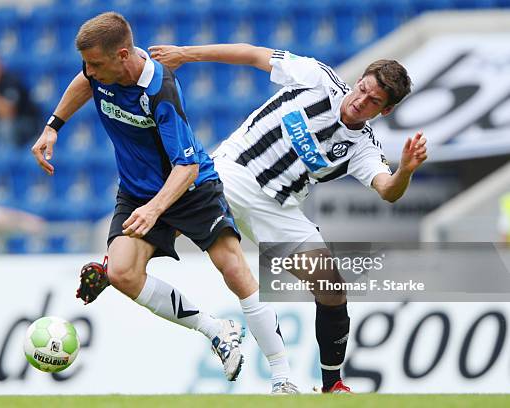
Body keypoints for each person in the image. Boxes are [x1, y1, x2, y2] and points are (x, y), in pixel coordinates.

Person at [31, 12, 298, 393]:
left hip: (190, 187)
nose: (88, 71)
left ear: (123, 55)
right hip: (138, 191)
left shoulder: (160, 90)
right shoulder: (99, 69)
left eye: (95, 64)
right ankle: (216, 330)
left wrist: (157, 209)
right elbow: (84, 82)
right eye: (86, 63)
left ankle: (283, 377)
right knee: (121, 273)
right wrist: (52, 126)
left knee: (233, 269)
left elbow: (186, 165)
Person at [150, 43, 428, 393]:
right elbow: (251, 55)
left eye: (373, 101)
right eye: (363, 89)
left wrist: (404, 169)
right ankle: (113, 263)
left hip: (278, 208)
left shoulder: (362, 147)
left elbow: (388, 190)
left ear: (384, 111)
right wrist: (185, 55)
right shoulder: (316, 77)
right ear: (358, 80)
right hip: (233, 170)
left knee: (331, 288)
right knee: (169, 218)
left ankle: (332, 384)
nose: (361, 100)